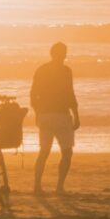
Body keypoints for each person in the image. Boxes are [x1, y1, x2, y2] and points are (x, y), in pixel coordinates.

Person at [30, 42, 80, 195]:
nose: (63, 55)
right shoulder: (65, 71)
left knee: (45, 151)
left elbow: (33, 94)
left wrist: (38, 112)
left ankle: (38, 186)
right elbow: (70, 94)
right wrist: (76, 115)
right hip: (60, 115)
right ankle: (58, 187)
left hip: (49, 115)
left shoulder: (43, 69)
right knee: (65, 152)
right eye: (63, 52)